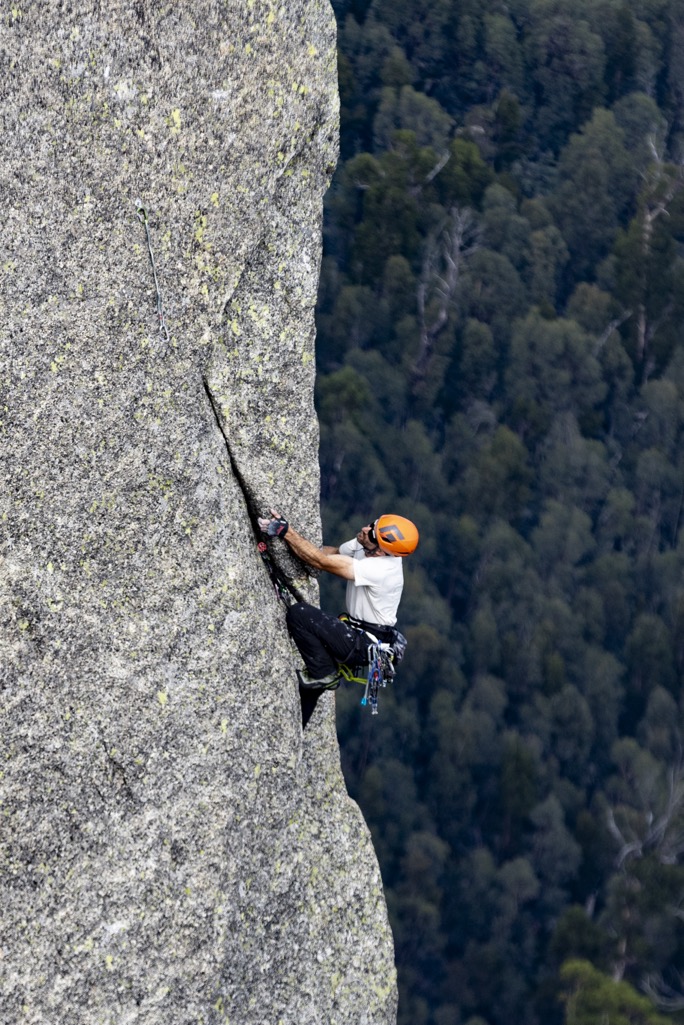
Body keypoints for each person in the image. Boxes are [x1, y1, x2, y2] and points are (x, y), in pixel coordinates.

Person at [257, 510, 419, 699]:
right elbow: (329, 553)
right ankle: (314, 688)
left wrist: (286, 532)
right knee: (310, 688)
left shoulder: (382, 570)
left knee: (299, 614)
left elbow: (321, 562)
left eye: (372, 534)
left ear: (381, 551)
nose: (365, 529)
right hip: (356, 632)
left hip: (363, 643)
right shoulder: (366, 545)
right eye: (372, 525)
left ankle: (325, 674)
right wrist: (287, 543)